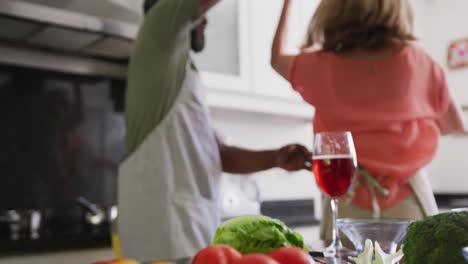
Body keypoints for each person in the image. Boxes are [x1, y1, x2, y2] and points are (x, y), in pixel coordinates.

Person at [114, 0, 311, 262]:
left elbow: (217, 155)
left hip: (187, 230)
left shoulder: (176, 75)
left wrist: (275, 158)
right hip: (163, 234)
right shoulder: (158, 27)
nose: (205, 19)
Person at [271, 0, 467, 243]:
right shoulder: (418, 61)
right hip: (409, 199)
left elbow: (276, 58)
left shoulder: (319, 66)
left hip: (345, 201)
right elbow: (453, 125)